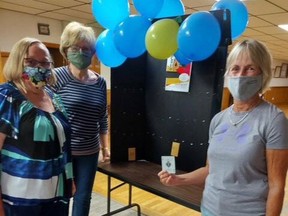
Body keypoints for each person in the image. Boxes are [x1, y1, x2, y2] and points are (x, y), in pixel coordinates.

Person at [158, 39, 288, 216]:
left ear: (262, 74)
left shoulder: (273, 120)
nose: (241, 75)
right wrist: (178, 180)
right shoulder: (219, 119)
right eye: (235, 68)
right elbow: (210, 170)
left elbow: (277, 186)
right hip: (209, 208)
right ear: (228, 73)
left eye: (250, 68)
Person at [0, 37, 73, 216]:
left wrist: (70, 179)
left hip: (57, 195)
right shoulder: (7, 97)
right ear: (18, 61)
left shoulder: (54, 97)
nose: (39, 68)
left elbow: (64, 145)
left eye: (45, 63)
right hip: (20, 201)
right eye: (31, 62)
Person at [52, 21, 110, 216]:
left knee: (83, 197)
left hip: (89, 152)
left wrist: (105, 148)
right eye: (76, 47)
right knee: (61, 196)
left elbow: (102, 117)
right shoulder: (55, 78)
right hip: (62, 152)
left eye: (87, 48)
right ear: (66, 50)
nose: (81, 52)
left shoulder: (100, 82)